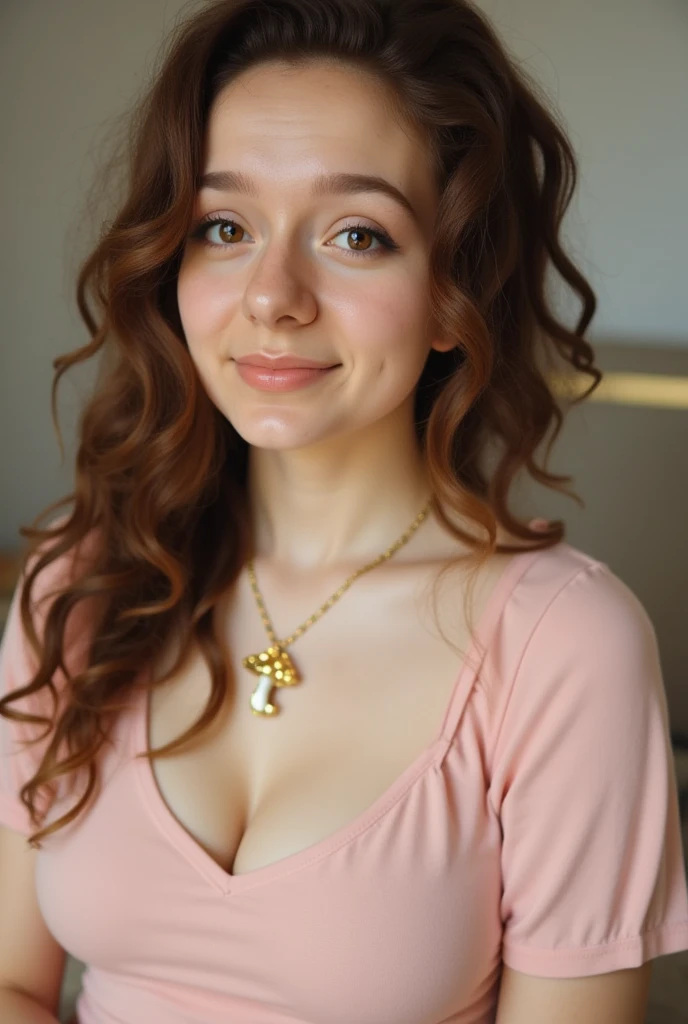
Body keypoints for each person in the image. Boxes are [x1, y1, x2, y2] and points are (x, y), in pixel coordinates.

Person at [1, 1, 687, 1022]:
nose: (272, 295)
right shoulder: (83, 579)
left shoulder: (561, 645)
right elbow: (13, 980)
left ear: (456, 288)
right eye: (223, 227)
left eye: (356, 234)